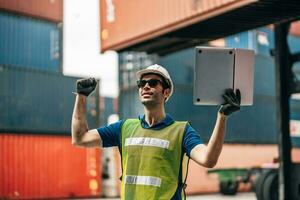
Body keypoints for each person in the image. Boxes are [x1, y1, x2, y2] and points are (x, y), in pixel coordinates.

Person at [71, 64, 241, 200]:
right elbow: (80, 138)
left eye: (153, 83)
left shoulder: (181, 131)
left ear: (166, 92)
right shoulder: (124, 128)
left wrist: (222, 116)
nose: (145, 86)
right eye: (141, 83)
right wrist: (82, 96)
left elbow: (208, 159)